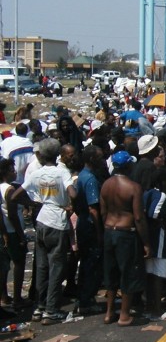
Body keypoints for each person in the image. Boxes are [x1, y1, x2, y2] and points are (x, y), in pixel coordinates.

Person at [12, 138, 76, 325]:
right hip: (57, 222)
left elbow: (16, 195)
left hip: (41, 221)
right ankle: (51, 309)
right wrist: (68, 203)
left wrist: (34, 203)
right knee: (57, 267)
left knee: (41, 266)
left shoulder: (36, 173)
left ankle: (40, 307)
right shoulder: (61, 172)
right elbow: (72, 193)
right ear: (57, 154)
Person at [100, 150, 150, 326]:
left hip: (109, 230)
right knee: (127, 272)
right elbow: (138, 217)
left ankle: (109, 312)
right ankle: (124, 314)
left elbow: (103, 212)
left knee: (111, 273)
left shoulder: (106, 184)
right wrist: (145, 242)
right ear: (128, 165)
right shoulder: (133, 187)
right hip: (126, 232)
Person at [73, 145, 106, 315]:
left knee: (86, 263)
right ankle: (86, 300)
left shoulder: (82, 176)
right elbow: (94, 209)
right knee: (91, 264)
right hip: (90, 227)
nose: (102, 160)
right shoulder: (91, 180)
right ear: (92, 159)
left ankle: (84, 298)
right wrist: (100, 233)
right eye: (100, 157)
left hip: (83, 224)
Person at [143, 168, 166, 319]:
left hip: (152, 240)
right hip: (161, 241)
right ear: (162, 182)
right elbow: (153, 214)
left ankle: (150, 306)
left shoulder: (148, 193)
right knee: (159, 275)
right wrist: (159, 223)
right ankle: (157, 310)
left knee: (150, 274)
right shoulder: (161, 196)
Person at [0, 158, 29, 313]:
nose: (15, 172)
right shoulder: (9, 190)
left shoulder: (1, 188)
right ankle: (17, 298)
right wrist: (21, 235)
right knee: (18, 263)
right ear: (5, 173)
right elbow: (12, 214)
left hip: (4, 232)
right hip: (12, 231)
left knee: (4, 267)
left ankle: (4, 296)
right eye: (12, 170)